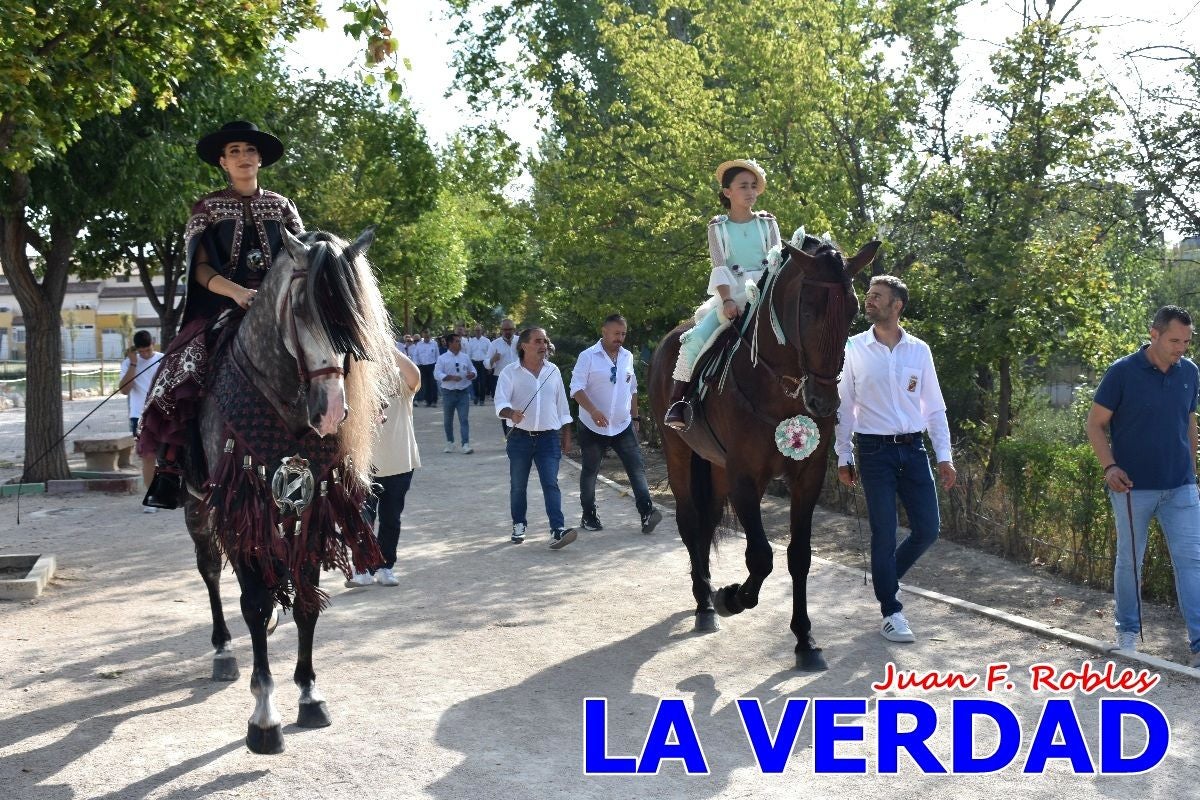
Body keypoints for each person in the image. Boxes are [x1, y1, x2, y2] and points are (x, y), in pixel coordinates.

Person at [140, 120, 304, 509]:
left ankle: (353, 451)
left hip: (281, 306)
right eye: (234, 152)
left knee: (328, 357)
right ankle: (173, 467)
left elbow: (301, 260)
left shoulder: (282, 207)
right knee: (179, 370)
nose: (243, 157)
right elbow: (199, 270)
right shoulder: (208, 207)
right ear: (222, 162)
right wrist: (238, 293)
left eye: (249, 151)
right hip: (221, 305)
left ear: (260, 158)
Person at [833, 275, 956, 643]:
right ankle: (891, 610)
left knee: (928, 529)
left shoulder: (919, 350)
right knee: (883, 532)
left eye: (877, 297)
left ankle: (886, 578)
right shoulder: (852, 348)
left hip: (914, 449)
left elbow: (933, 407)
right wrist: (843, 453)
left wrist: (944, 456)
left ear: (896, 306)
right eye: (868, 295)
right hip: (873, 451)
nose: (869, 301)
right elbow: (844, 406)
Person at [1085, 305, 1200, 668]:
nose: (1180, 347)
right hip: (1132, 487)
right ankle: (1128, 634)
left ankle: (1199, 643)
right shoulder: (1122, 373)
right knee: (1130, 561)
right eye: (1173, 340)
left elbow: (1189, 424)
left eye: (1186, 341)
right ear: (1154, 334)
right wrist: (1110, 467)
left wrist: (1192, 473)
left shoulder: (1190, 372)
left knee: (1192, 562)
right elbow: (1094, 424)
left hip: (1180, 486)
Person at [664, 159, 780, 430]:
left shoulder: (768, 223)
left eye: (753, 186)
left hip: (768, 294)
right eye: (743, 186)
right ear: (728, 192)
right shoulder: (717, 227)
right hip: (732, 296)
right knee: (695, 339)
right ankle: (678, 402)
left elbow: (777, 263)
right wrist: (727, 300)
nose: (750, 192)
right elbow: (719, 266)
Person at [570, 314, 663, 534]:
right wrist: (593, 411)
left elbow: (632, 388)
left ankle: (647, 513)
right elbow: (576, 388)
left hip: (623, 425)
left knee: (636, 469)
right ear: (604, 331)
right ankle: (589, 515)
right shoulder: (588, 356)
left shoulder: (627, 356)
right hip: (593, 426)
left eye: (623, 334)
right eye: (616, 333)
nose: (620, 338)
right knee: (590, 471)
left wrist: (636, 416)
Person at [346, 344, 422, 587]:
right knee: (362, 519)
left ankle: (385, 567)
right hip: (364, 464)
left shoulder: (400, 383)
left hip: (399, 462)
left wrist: (388, 347)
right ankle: (362, 568)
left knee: (391, 519)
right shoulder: (356, 388)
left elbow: (415, 376)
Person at [495, 327, 576, 549]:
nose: (544, 345)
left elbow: (562, 405)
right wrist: (511, 413)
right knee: (518, 486)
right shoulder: (509, 372)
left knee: (551, 484)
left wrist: (566, 433)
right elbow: (500, 403)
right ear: (524, 345)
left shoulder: (554, 371)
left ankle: (557, 529)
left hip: (548, 438)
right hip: (519, 439)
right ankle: (519, 524)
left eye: (545, 341)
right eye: (538, 341)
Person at [119, 330, 164, 512]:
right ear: (135, 349)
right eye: (141, 351)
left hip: (163, 413)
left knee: (169, 457)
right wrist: (133, 364)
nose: (145, 354)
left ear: (153, 344)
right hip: (140, 415)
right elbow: (124, 391)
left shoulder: (164, 359)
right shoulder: (129, 363)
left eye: (148, 350)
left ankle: (170, 492)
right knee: (148, 457)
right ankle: (152, 497)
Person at [434, 332, 476, 454]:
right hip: (448, 392)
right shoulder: (442, 358)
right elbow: (437, 374)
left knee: (464, 419)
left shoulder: (465, 357)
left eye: (460, 341)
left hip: (463, 392)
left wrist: (472, 374)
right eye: (457, 341)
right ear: (450, 343)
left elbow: (473, 369)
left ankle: (466, 444)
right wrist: (449, 377)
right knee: (448, 420)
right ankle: (450, 442)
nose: (460, 344)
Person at [487, 319, 519, 432]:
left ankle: (520, 433)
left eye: (510, 329)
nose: (507, 332)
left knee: (518, 405)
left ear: (514, 330)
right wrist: (493, 360)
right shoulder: (494, 344)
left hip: (519, 378)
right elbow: (486, 364)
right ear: (501, 330)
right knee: (504, 407)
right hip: (500, 379)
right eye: (505, 329)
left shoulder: (520, 342)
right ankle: (508, 435)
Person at [411, 331, 440, 407]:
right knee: (425, 384)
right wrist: (417, 364)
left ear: (430, 336)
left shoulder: (434, 344)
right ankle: (428, 401)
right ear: (423, 336)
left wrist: (437, 365)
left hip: (432, 365)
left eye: (428, 336)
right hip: (422, 366)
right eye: (425, 336)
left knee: (433, 383)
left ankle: (434, 401)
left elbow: (437, 355)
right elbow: (415, 355)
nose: (427, 338)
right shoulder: (419, 344)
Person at [465, 324, 492, 405]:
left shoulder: (487, 341)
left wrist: (490, 366)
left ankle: (482, 400)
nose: (477, 332)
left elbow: (490, 354)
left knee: (483, 382)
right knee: (474, 382)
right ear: (474, 331)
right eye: (476, 330)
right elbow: (468, 354)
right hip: (474, 363)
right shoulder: (471, 341)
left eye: (479, 330)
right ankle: (476, 396)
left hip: (483, 363)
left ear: (482, 331)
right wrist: (468, 366)